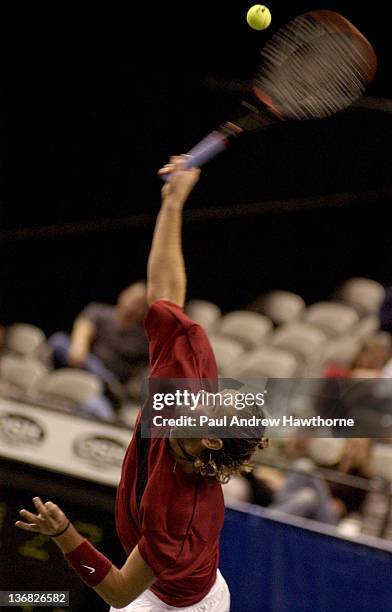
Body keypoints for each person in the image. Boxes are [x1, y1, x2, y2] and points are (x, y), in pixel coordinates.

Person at [15, 157, 268, 611]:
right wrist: (173, 204)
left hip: (177, 607)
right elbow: (165, 293)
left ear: (209, 438)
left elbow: (118, 589)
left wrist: (63, 534)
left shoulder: (183, 512)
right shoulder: (183, 391)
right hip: (160, 576)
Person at [49, 281, 149, 410]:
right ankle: (104, 379)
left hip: (107, 392)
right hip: (83, 366)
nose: (133, 304)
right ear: (123, 294)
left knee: (96, 407)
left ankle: (106, 382)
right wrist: (79, 346)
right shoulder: (99, 312)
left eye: (139, 303)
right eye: (131, 297)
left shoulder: (144, 338)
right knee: (59, 341)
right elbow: (84, 327)